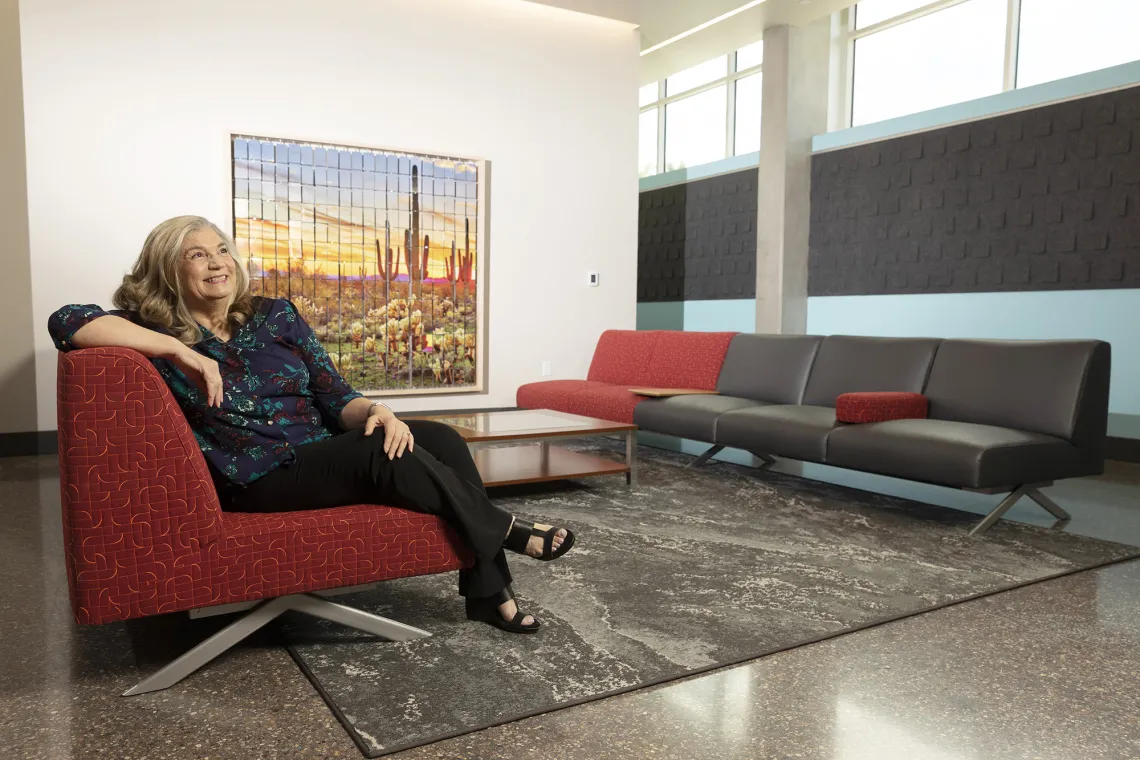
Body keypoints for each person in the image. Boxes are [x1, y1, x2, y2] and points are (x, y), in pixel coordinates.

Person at [48, 215, 574, 634]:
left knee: (437, 436)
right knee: (375, 455)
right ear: (169, 269)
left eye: (222, 249)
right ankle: (505, 531)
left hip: (321, 453)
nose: (217, 263)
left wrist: (378, 411)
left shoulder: (275, 314)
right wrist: (177, 350)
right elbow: (65, 320)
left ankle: (489, 594)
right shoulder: (150, 331)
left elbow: (335, 393)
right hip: (257, 476)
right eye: (197, 254)